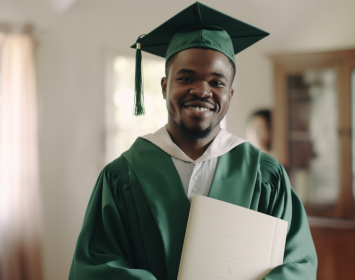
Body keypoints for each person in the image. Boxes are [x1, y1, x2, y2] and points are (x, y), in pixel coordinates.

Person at [68, 2, 317, 280]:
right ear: (165, 87)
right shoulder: (122, 176)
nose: (201, 90)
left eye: (217, 82)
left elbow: (298, 264)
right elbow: (94, 266)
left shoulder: (265, 175)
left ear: (230, 95)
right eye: (186, 78)